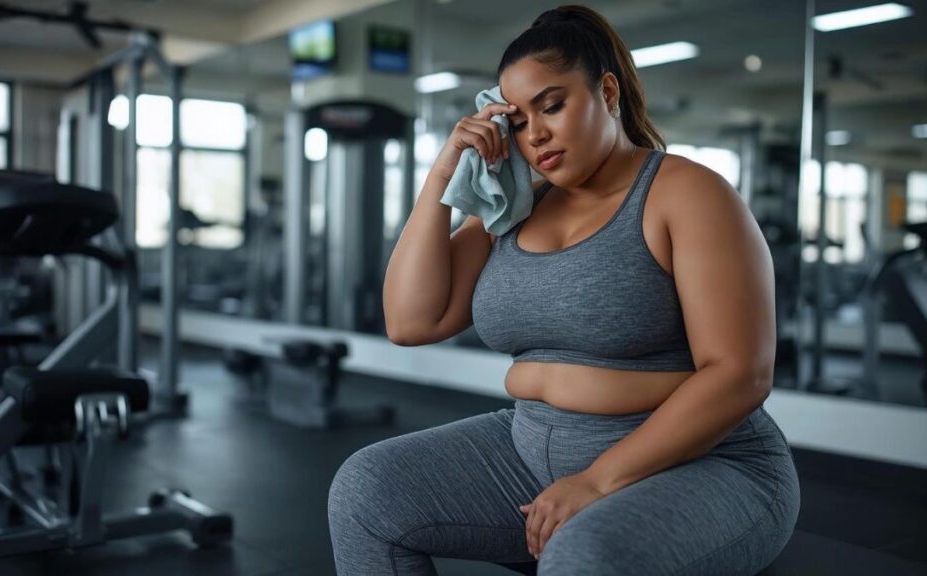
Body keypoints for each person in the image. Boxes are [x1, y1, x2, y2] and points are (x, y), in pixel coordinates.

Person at [329, 5, 800, 575]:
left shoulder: (686, 194)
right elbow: (410, 322)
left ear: (606, 91)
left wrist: (599, 479)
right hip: (530, 453)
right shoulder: (512, 210)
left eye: (552, 105)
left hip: (705, 465)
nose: (537, 134)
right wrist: (442, 178)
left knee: (585, 555)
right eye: (519, 122)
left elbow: (740, 374)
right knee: (364, 491)